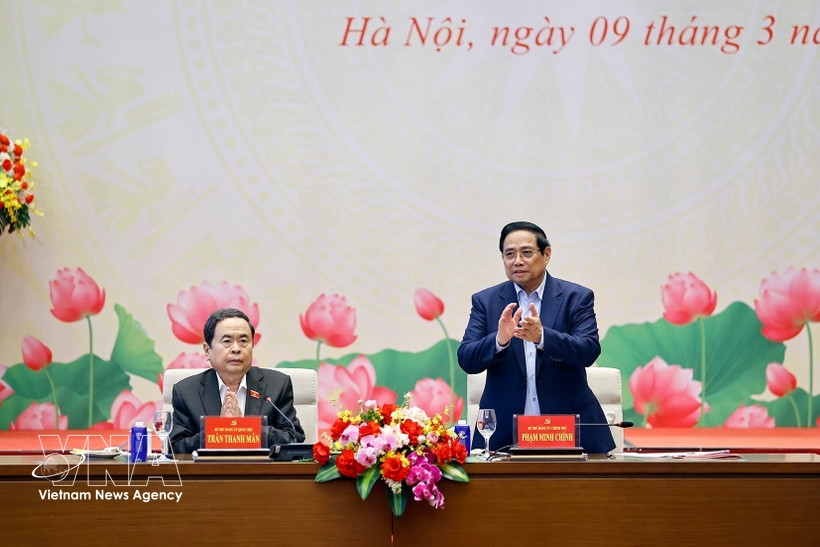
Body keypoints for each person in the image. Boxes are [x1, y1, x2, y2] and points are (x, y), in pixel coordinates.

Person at [457, 221, 615, 454]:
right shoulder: (486, 301)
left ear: (547, 254)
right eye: (509, 254)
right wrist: (499, 341)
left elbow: (589, 350)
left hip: (567, 428)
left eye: (526, 252)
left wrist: (543, 338)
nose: (517, 261)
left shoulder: (576, 297)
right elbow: (466, 359)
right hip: (503, 433)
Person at [170, 307, 306, 454]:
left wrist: (243, 429)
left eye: (243, 341)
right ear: (207, 350)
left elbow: (294, 438)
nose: (236, 349)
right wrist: (220, 431)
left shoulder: (277, 385)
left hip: (261, 474)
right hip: (209, 475)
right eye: (227, 341)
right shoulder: (186, 391)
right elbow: (176, 446)